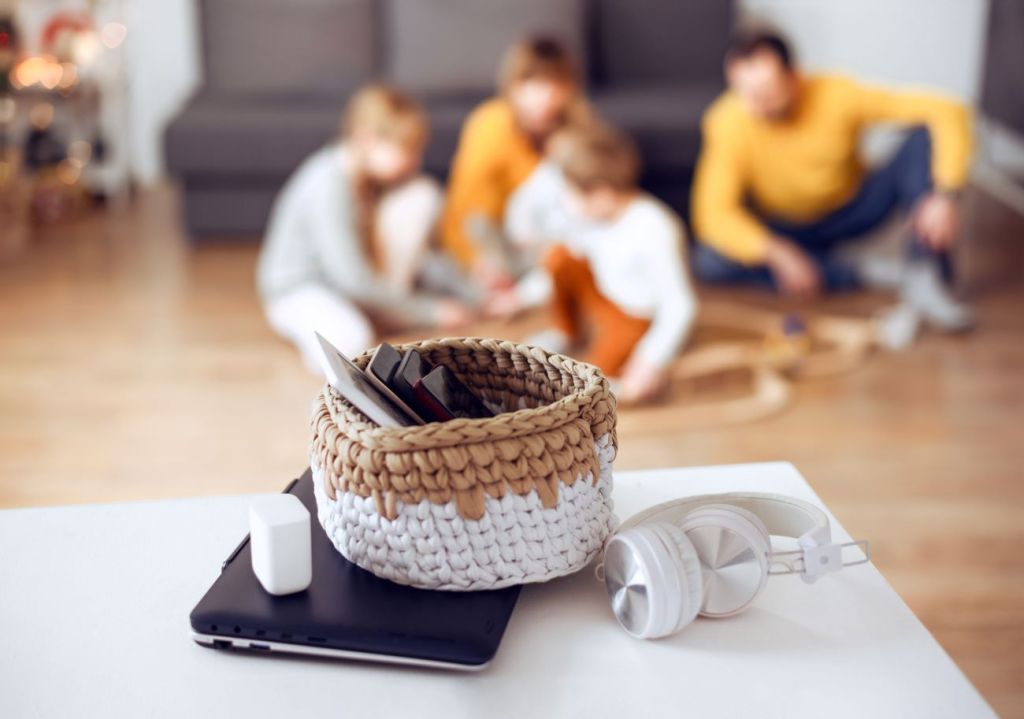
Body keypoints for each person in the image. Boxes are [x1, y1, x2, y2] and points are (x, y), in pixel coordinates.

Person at [691, 29, 974, 330]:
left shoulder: (837, 94)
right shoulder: (726, 121)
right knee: (708, 259)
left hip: (854, 208)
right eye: (745, 92)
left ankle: (924, 274)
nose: (757, 105)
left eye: (767, 91)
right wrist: (776, 252)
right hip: (787, 228)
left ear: (794, 76)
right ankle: (855, 273)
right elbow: (712, 213)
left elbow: (947, 109)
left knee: (921, 138)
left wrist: (946, 193)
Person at [257, 85, 472, 373]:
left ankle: (380, 311)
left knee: (422, 194)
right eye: (406, 149)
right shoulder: (328, 182)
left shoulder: (370, 182)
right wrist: (429, 311)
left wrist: (474, 294)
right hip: (300, 288)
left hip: (342, 287)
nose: (415, 160)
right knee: (351, 341)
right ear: (366, 139)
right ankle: (338, 336)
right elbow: (352, 278)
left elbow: (423, 259)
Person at [518, 124, 698, 403]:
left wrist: (651, 359)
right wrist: (519, 296)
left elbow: (680, 305)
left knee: (592, 379)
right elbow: (566, 263)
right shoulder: (593, 219)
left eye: (571, 192)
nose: (565, 201)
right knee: (559, 257)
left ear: (602, 195)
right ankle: (566, 331)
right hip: (602, 294)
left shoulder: (655, 228)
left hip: (633, 315)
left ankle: (619, 378)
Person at [442, 35, 588, 315]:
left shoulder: (576, 129)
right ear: (513, 85)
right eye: (532, 83)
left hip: (543, 240)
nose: (544, 96)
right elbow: (467, 210)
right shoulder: (490, 125)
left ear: (569, 87)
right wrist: (477, 260)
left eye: (554, 84)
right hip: (493, 243)